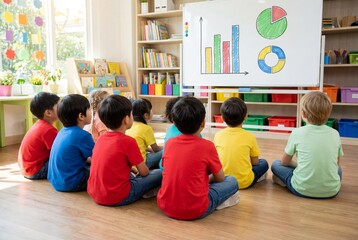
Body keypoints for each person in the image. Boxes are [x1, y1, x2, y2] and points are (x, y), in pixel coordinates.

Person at [157, 97, 239, 220]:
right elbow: (220, 177)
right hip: (195, 210)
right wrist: (206, 178)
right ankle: (219, 202)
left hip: (165, 205)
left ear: (174, 122)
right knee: (232, 181)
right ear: (203, 122)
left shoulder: (169, 143)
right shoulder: (207, 146)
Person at [87, 95, 162, 206]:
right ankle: (145, 190)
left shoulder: (101, 138)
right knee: (159, 173)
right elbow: (144, 172)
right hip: (118, 196)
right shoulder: (129, 142)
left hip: (95, 193)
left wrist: (132, 169)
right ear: (126, 119)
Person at [271, 91, 343, 198]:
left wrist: (298, 165)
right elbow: (336, 163)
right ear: (329, 113)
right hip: (332, 191)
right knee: (339, 170)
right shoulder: (335, 133)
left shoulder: (297, 132)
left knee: (276, 164)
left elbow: (284, 162)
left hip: (301, 189)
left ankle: (285, 180)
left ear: (303, 114)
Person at [213, 97, 268, 189]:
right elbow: (255, 162)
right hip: (244, 183)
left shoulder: (217, 135)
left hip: (224, 180)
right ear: (245, 116)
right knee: (263, 163)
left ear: (222, 118)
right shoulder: (249, 136)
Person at [48, 94, 94, 192]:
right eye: (89, 109)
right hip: (71, 183)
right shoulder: (83, 135)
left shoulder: (62, 131)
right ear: (81, 116)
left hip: (56, 180)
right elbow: (100, 158)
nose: (91, 112)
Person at [18, 92, 60, 179]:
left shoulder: (41, 124)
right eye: (59, 107)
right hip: (35, 170)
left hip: (27, 169)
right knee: (69, 159)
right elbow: (60, 153)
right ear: (48, 113)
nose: (63, 109)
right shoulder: (48, 130)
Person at [126, 98, 163, 169]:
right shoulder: (146, 128)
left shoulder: (130, 125)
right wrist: (165, 146)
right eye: (151, 110)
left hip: (132, 163)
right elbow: (156, 149)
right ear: (146, 115)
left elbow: (140, 146)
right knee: (166, 151)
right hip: (143, 163)